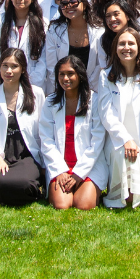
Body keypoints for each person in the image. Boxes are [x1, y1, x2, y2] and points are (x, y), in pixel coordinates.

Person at [0, 48, 47, 206]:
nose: (9, 71)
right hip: (1, 157)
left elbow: (44, 131)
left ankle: (10, 195)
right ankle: (24, 193)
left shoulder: (36, 94)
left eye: (14, 66)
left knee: (24, 182)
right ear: (0, 67)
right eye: (5, 66)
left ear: (23, 69)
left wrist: (44, 163)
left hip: (26, 156)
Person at [100, 28, 140, 208]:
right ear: (115, 48)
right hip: (118, 141)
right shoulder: (106, 76)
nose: (126, 47)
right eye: (122, 44)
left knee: (136, 196)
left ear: (139, 47)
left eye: (131, 43)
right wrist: (125, 139)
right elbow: (106, 114)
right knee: (126, 198)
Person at [41, 55, 107, 210]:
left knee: (83, 204)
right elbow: (46, 140)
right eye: (61, 74)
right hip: (61, 165)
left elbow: (97, 141)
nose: (66, 78)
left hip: (88, 166)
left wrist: (79, 173)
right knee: (62, 205)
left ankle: (86, 188)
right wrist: (60, 170)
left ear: (80, 75)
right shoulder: (50, 102)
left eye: (70, 74)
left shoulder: (94, 100)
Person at [0, 0, 48, 92]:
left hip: (33, 85)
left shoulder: (43, 24)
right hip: (5, 82)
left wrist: (31, 83)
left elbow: (43, 58)